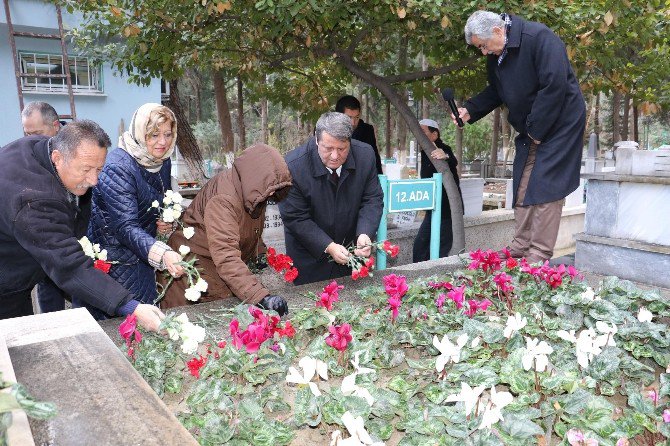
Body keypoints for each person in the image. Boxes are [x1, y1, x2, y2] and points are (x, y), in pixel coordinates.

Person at [0, 120, 164, 330]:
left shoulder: (43, 147)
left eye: (99, 169)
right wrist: (131, 306)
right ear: (58, 158)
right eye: (86, 169)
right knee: (12, 346)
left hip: (15, 265)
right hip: (6, 282)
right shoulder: (34, 201)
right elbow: (69, 266)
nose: (94, 180)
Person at [453, 11, 586, 263]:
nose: (483, 52)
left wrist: (536, 130)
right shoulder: (497, 54)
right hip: (531, 125)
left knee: (547, 186)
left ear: (497, 31)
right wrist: (471, 109)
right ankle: (520, 247)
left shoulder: (540, 38)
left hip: (561, 123)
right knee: (523, 182)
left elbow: (554, 86)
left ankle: (538, 254)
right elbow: (496, 90)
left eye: (482, 46)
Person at [159, 144, 292, 316]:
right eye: (270, 190)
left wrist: (260, 254)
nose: (271, 195)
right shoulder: (224, 200)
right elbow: (226, 255)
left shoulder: (253, 191)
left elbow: (252, 228)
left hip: (213, 269)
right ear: (255, 180)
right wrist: (261, 297)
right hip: (191, 275)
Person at [83, 103, 184, 319]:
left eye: (168, 134)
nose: (163, 142)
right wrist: (163, 253)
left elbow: (160, 201)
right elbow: (124, 226)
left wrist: (167, 222)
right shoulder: (118, 166)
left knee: (144, 325)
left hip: (142, 258)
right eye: (154, 134)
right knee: (120, 327)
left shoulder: (161, 162)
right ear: (140, 132)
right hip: (114, 265)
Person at [279, 112, 384, 285]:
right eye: (328, 148)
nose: (335, 156)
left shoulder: (365, 156)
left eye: (342, 149)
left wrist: (365, 233)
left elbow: (372, 198)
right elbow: (295, 217)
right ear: (316, 140)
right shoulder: (293, 166)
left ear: (350, 141)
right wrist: (329, 246)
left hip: (352, 251)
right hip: (310, 257)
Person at [20, 102, 72, 314]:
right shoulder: (25, 153)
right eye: (27, 133)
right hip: (44, 230)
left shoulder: (77, 147)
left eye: (37, 133)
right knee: (48, 282)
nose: (31, 139)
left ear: (56, 126)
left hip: (74, 230)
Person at [413, 119, 463, 262]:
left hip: (447, 210)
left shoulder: (442, 148)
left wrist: (445, 155)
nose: (419, 136)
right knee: (421, 245)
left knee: (442, 246)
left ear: (434, 135)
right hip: (432, 209)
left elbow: (452, 160)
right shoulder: (425, 152)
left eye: (423, 132)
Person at [335, 95, 383, 175]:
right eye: (349, 117)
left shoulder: (366, 130)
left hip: (360, 177)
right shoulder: (327, 130)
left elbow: (374, 158)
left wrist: (379, 179)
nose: (353, 123)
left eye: (356, 117)